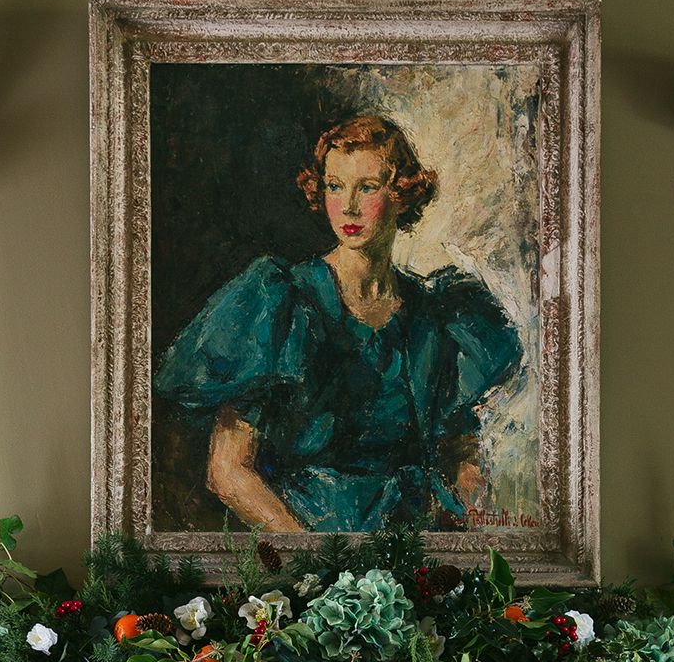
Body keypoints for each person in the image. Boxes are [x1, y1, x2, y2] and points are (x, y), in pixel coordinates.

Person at [155, 113, 521, 532]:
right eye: (334, 186)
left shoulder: (438, 316)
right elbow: (229, 471)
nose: (348, 206)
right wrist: (315, 561)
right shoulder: (281, 303)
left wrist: (459, 536)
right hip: (307, 545)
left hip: (412, 547)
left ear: (401, 194)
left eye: (367, 187)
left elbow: (461, 454)